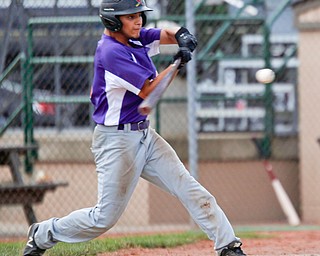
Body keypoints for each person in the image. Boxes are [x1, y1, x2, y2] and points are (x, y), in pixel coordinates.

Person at [23, 0, 246, 255]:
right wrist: (178, 63)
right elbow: (149, 90)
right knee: (102, 218)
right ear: (113, 21)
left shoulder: (135, 38)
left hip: (144, 135)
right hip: (116, 141)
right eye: (130, 16)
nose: (138, 20)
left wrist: (181, 34)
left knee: (189, 187)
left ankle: (228, 245)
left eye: (139, 14)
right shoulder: (111, 52)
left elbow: (165, 35)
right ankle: (42, 234)